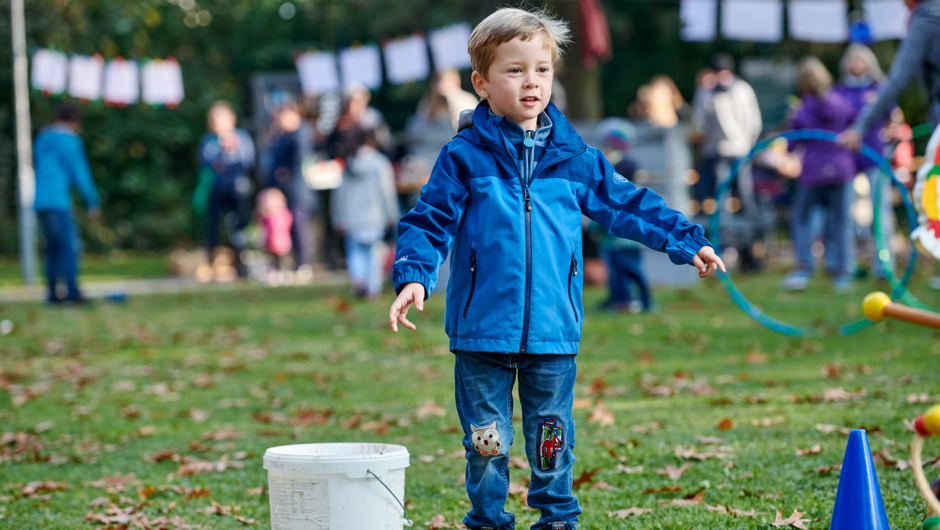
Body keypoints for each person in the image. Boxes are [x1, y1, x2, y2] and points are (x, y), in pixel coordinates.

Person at [387, 8, 725, 530]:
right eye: (515, 70)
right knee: (487, 441)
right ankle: (488, 519)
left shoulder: (576, 158)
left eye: (542, 69)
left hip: (552, 330)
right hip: (482, 333)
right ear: (481, 83)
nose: (531, 82)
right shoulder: (463, 157)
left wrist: (685, 239)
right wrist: (414, 275)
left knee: (551, 435)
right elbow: (429, 219)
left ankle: (557, 518)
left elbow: (628, 206)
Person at [783, 57, 859, 292]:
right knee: (842, 222)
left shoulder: (802, 109)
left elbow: (792, 144)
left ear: (803, 83)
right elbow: (855, 128)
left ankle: (803, 268)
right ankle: (842, 272)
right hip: (841, 170)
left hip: (814, 172)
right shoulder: (841, 102)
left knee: (803, 218)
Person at [833, 44, 895, 278]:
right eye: (851, 58)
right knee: (845, 216)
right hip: (847, 161)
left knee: (881, 214)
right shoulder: (839, 90)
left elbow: (893, 116)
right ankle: (846, 267)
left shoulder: (880, 88)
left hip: (875, 157)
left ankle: (883, 267)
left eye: (860, 58)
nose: (855, 62)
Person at [32, 102, 100, 304]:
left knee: (52, 248)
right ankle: (72, 293)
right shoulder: (70, 141)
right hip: (58, 202)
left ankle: (53, 295)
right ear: (75, 122)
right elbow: (80, 174)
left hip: (40, 202)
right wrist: (92, 202)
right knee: (69, 248)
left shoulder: (42, 139)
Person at [590, 118, 653, 312]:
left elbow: (611, 202)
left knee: (632, 269)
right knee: (616, 270)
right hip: (613, 238)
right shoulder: (619, 166)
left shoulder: (623, 169)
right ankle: (618, 299)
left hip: (626, 238)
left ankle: (643, 301)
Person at [331, 127, 400, 299]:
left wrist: (338, 216)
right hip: (374, 216)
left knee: (355, 252)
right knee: (374, 252)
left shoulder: (349, 164)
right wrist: (392, 214)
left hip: (352, 217)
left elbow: (339, 193)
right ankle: (372, 287)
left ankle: (359, 282)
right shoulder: (380, 163)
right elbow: (387, 191)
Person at [195, 102, 255, 277]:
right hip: (216, 188)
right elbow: (204, 161)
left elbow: (248, 160)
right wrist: (221, 155)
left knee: (240, 225)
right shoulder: (208, 140)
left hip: (238, 189)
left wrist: (232, 151)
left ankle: (242, 263)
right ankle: (210, 263)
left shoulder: (241, 137)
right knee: (213, 226)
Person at [265, 103, 315, 277]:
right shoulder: (280, 136)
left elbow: (299, 160)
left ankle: (303, 264)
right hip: (282, 192)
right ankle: (286, 264)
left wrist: (283, 173)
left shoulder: (301, 133)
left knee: (299, 227)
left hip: (297, 190)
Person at [256, 187, 293, 283]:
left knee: (282, 260)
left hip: (281, 243)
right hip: (269, 243)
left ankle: (283, 273)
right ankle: (273, 274)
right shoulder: (265, 218)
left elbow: (282, 228)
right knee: (271, 260)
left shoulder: (282, 215)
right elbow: (262, 230)